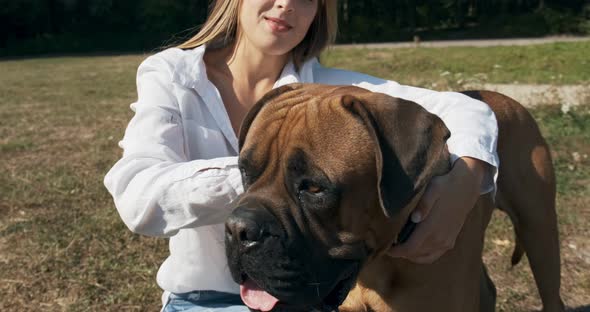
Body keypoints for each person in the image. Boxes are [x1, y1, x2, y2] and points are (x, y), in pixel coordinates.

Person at [104, 0, 499, 311]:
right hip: (204, 299)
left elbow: (469, 109)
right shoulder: (172, 75)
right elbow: (139, 199)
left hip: (309, 291)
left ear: (319, 12)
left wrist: (465, 180)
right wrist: (277, 178)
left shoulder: (326, 89)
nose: (286, 4)